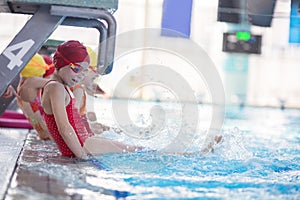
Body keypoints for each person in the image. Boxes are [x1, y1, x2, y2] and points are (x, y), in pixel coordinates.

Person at [20, 40, 141, 159]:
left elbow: (73, 121)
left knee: (131, 148)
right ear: (60, 63)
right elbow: (64, 128)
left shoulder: (62, 88)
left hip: (83, 142)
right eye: (77, 69)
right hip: (82, 146)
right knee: (135, 151)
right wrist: (81, 155)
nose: (81, 75)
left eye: (85, 71)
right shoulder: (55, 88)